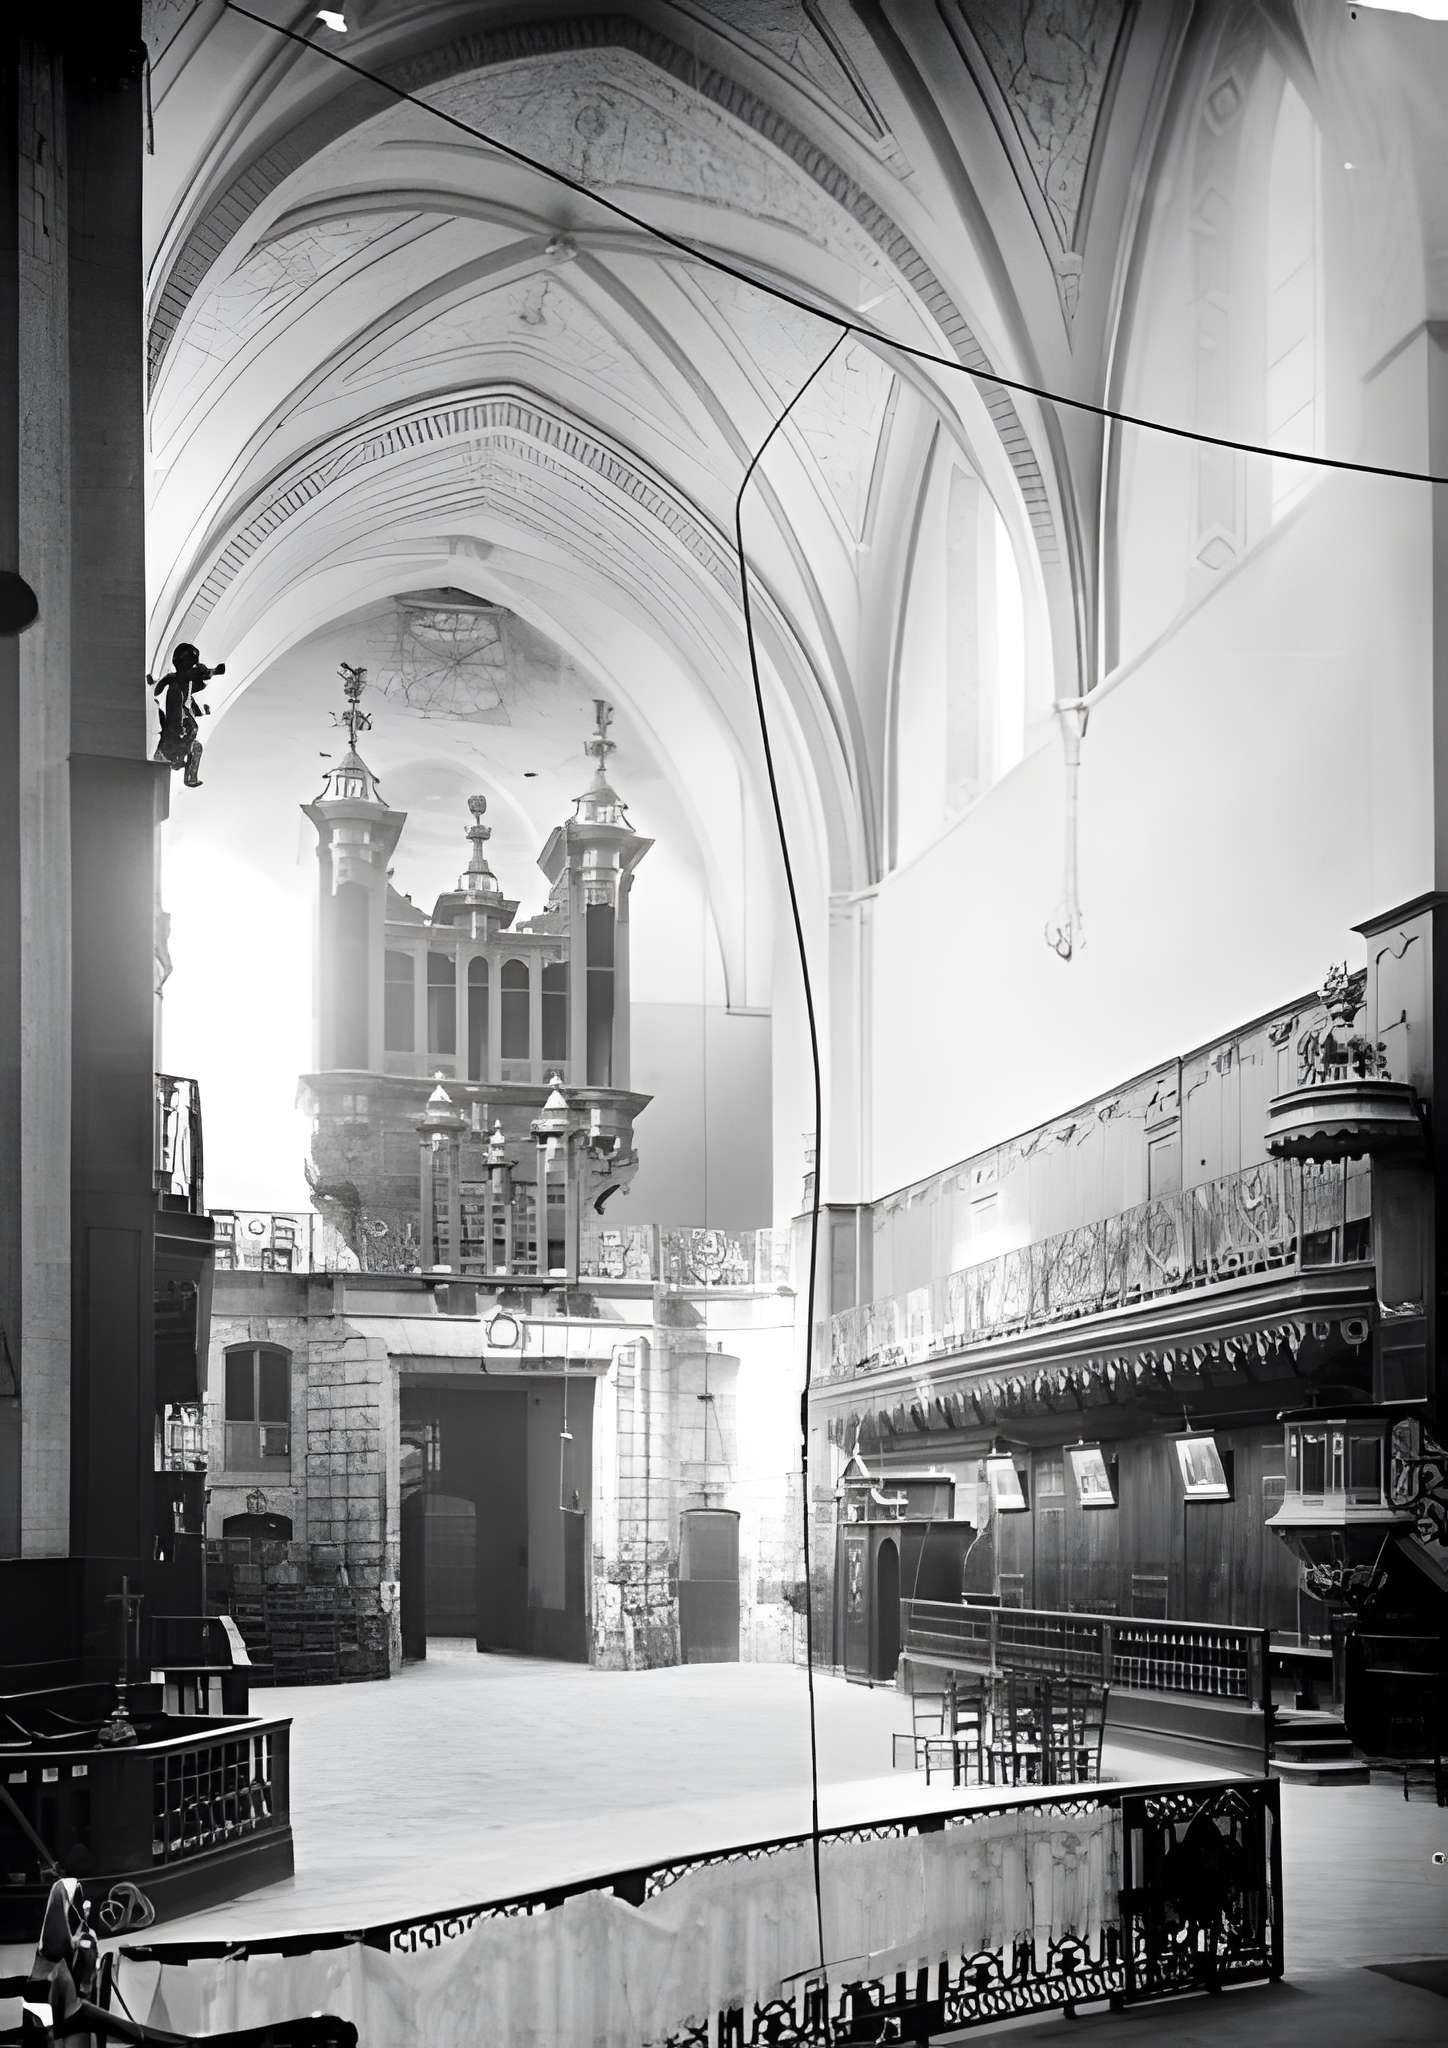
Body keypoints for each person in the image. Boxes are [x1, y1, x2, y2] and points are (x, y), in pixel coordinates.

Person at [148, 644, 224, 789]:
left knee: (196, 746)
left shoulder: (186, 687)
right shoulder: (176, 686)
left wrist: (212, 673)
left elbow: (194, 695)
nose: (194, 668)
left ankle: (190, 777)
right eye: (191, 665)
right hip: (174, 739)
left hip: (177, 739)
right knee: (195, 743)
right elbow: (163, 693)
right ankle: (187, 774)